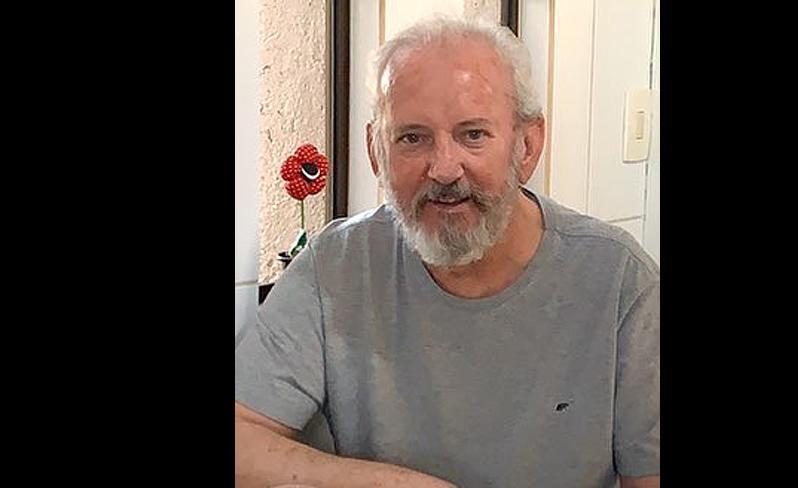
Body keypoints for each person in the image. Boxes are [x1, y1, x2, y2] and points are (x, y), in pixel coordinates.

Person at [235, 16, 659, 488]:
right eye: (412, 138)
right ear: (376, 152)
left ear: (527, 146)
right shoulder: (334, 267)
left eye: (472, 134)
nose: (443, 169)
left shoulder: (620, 282)